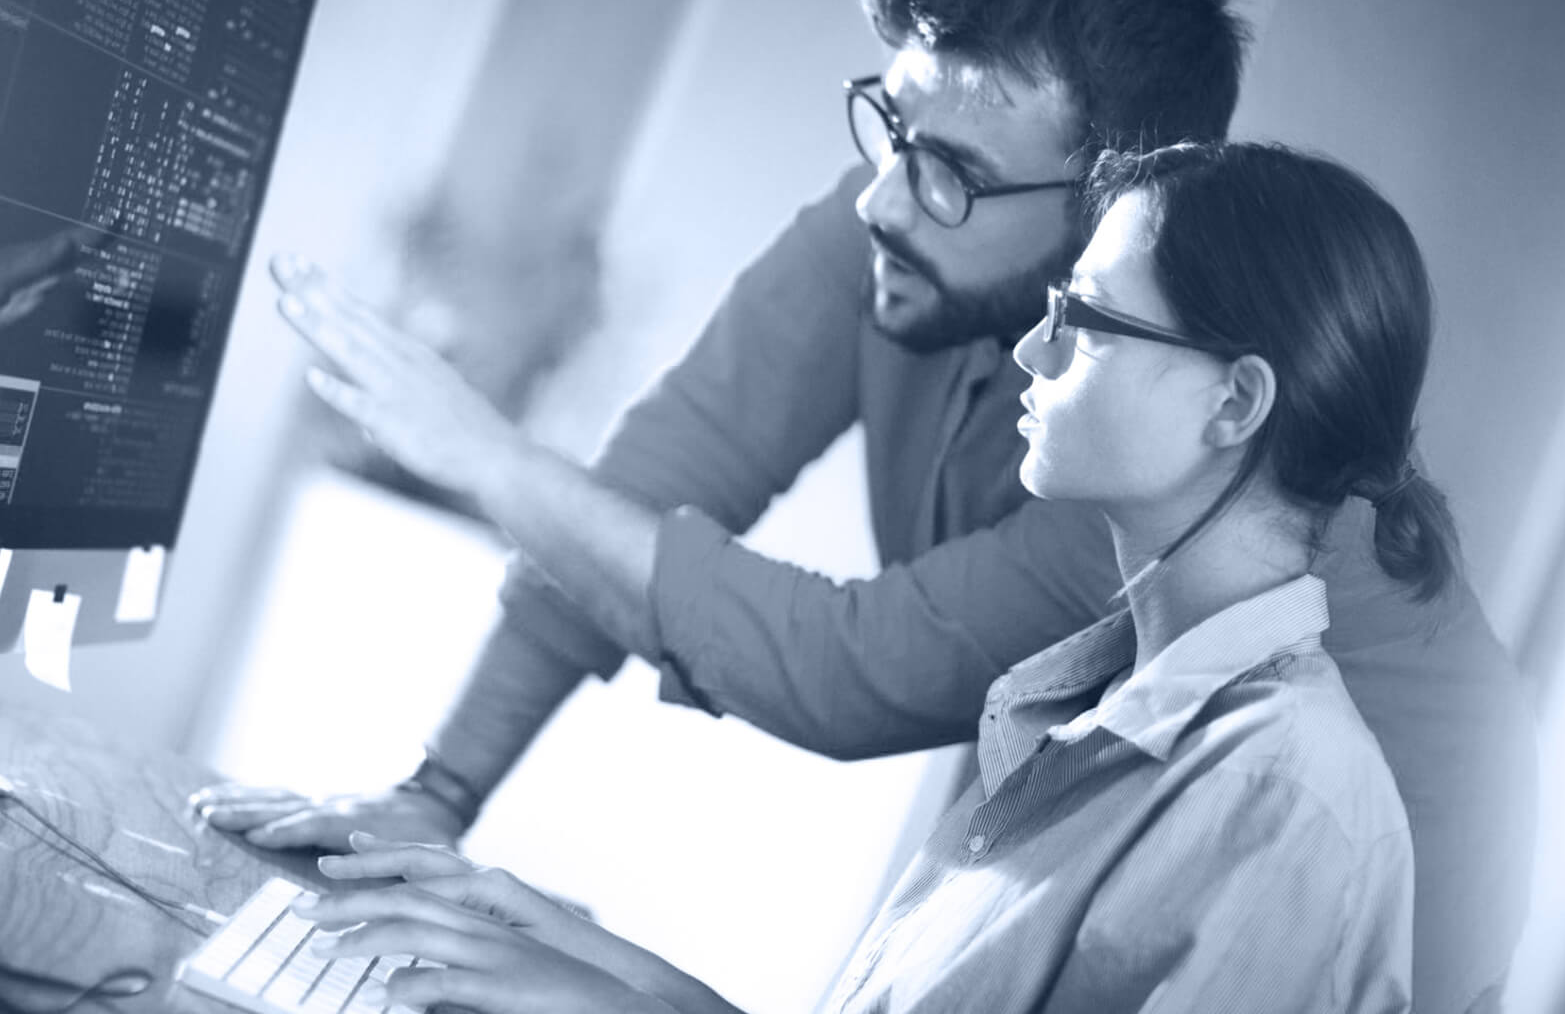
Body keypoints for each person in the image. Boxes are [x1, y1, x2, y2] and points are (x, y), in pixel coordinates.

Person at [193, 0, 1534, 1009]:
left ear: (1106, 208)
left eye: (948, 171)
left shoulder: (1184, 509)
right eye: (890, 126)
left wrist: (486, 455)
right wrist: (444, 810)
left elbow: (844, 670)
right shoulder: (918, 242)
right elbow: (660, 478)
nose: (882, 197)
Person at [278, 141, 1436, 1012]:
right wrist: (573, 949)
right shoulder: (1095, 702)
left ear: (1234, 403)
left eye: (1085, 320)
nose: (1031, 350)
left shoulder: (1286, 806)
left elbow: (836, 664)